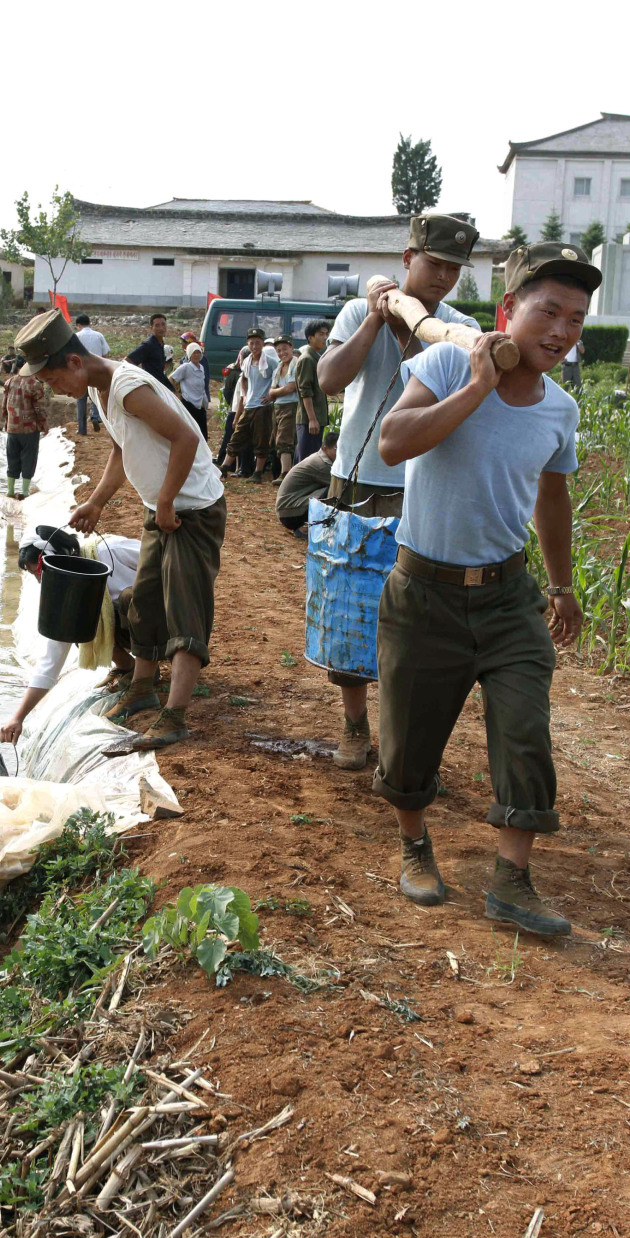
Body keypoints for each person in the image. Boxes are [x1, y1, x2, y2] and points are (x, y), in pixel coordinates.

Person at [374, 242, 600, 937]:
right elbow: (392, 441)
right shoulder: (446, 361)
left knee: (526, 729)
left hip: (508, 595)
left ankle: (512, 877)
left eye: (577, 319)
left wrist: (560, 585)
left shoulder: (558, 409)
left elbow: (552, 497)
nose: (562, 331)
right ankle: (415, 845)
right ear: (509, 312)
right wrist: (475, 388)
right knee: (411, 737)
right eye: (548, 312)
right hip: (424, 590)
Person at [14, 309, 226, 750]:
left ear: (74, 362)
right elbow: (119, 446)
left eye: (54, 382)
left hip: (192, 510)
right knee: (144, 601)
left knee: (185, 612)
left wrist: (166, 501)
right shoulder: (97, 389)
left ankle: (175, 716)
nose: (56, 391)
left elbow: (186, 439)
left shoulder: (128, 388)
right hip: (160, 508)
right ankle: (143, 687)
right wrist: (96, 501)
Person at [316, 213, 482, 770]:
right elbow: (329, 380)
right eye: (434, 264)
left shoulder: (459, 328)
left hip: (421, 489)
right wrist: (371, 322)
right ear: (408, 259)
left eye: (454, 269)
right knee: (349, 605)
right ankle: (354, 724)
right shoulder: (354, 311)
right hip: (358, 479)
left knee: (411, 621)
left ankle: (399, 741)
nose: (443, 277)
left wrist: (411, 328)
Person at [0, 525, 141, 743]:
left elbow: (165, 561)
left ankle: (144, 681)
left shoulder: (111, 551)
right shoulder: (69, 591)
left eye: (39, 572)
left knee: (129, 598)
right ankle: (128, 668)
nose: (40, 581)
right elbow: (50, 663)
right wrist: (18, 717)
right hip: (135, 629)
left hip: (166, 619)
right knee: (78, 619)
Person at [222, 328, 276, 479]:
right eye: (251, 343)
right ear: (247, 344)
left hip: (263, 407)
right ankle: (225, 467)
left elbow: (278, 378)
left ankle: (258, 472)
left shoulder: (270, 362)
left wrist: (271, 395)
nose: (254, 346)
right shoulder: (246, 361)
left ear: (263, 344)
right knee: (237, 436)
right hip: (249, 405)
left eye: (257, 343)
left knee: (261, 439)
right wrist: (245, 394)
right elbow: (244, 379)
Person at [2, 355, 48, 498]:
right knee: (29, 458)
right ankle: (24, 491)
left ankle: (10, 490)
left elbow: (3, 405)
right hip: (29, 429)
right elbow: (39, 409)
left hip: (13, 428)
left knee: (12, 458)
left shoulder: (9, 382)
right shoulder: (35, 385)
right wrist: (44, 424)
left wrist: (6, 421)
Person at [275, 431, 339, 534]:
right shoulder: (322, 464)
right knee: (335, 491)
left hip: (288, 509)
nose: (340, 453)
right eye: (337, 449)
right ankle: (307, 528)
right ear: (325, 448)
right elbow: (342, 487)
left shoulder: (320, 457)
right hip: (289, 513)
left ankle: (307, 526)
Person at [295, 318, 330, 463]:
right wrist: (312, 419)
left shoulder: (316, 357)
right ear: (310, 338)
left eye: (326, 334)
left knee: (307, 456)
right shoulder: (307, 359)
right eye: (321, 334)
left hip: (315, 418)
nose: (325, 338)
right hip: (308, 420)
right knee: (306, 460)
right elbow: (305, 391)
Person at [267, 336, 299, 480]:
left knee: (285, 439)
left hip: (290, 406)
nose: (282, 353)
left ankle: (285, 473)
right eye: (278, 350)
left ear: (291, 348)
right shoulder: (279, 368)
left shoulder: (296, 364)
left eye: (285, 349)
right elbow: (271, 391)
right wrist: (277, 391)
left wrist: (276, 391)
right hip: (278, 407)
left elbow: (291, 388)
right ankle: (282, 471)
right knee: (277, 438)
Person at [74, 313, 110, 433]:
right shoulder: (99, 335)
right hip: (96, 371)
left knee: (81, 399)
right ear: (89, 323)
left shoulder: (76, 336)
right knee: (95, 397)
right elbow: (105, 354)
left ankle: (82, 429)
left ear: (79, 325)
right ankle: (95, 417)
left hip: (80, 372)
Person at [170, 342, 211, 439]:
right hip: (189, 403)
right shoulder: (186, 367)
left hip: (200, 404)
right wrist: (177, 393)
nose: (196, 355)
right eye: (194, 353)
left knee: (203, 434)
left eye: (198, 353)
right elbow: (171, 379)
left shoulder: (201, 367)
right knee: (191, 432)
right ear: (189, 355)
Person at [127, 313, 172, 389]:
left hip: (160, 385)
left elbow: (159, 372)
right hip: (151, 387)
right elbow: (127, 361)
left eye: (163, 324)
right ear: (151, 328)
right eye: (157, 325)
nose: (161, 328)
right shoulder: (148, 345)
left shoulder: (160, 344)